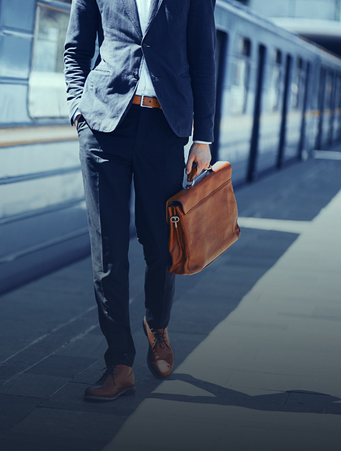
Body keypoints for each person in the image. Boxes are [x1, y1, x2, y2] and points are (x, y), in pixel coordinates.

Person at [64, 0, 216, 401]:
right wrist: (77, 109)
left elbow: (203, 57)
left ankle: (157, 324)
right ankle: (119, 363)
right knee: (108, 252)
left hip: (163, 129)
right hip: (103, 129)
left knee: (161, 247)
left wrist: (203, 137)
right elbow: (75, 48)